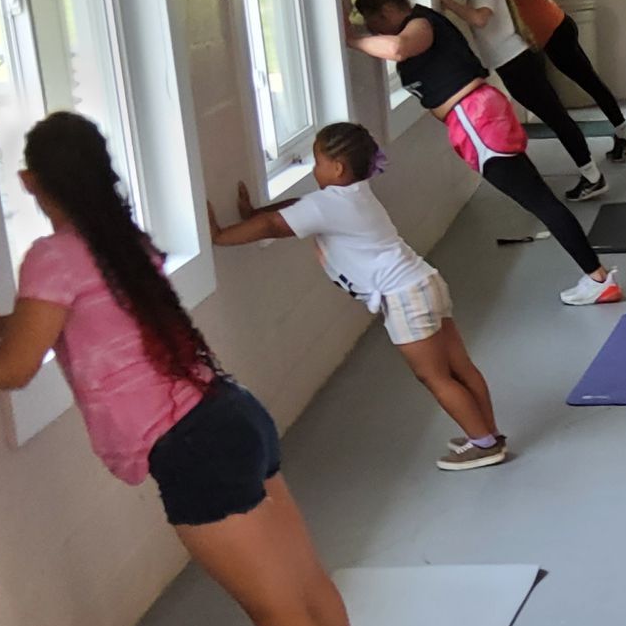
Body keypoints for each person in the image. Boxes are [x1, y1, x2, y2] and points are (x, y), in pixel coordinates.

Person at [0, 113, 373, 626]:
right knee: (304, 585)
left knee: (280, 613)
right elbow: (52, 322)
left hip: (192, 448)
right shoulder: (123, 241)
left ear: (30, 182)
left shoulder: (54, 256)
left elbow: (14, 365)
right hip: (230, 413)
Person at [208, 121, 509, 473]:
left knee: (434, 376)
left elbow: (276, 225)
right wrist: (256, 212)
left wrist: (221, 236)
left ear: (337, 167)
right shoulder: (351, 194)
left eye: (317, 161)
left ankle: (483, 444)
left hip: (404, 297)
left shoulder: (327, 205)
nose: (315, 169)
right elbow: (295, 208)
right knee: (460, 367)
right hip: (424, 282)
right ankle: (488, 434)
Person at [340, 0, 621, 308]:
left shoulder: (421, 25)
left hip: (478, 121)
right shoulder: (418, 21)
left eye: (374, 25)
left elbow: (397, 48)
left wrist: (350, 39)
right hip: (477, 119)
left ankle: (599, 278)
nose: (373, 34)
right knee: (539, 198)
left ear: (386, 13)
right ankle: (597, 276)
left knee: (541, 202)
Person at [439, 0, 610, 205]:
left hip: (517, 62)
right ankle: (590, 174)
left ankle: (592, 176)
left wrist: (447, 1)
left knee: (556, 117)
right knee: (555, 115)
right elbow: (478, 5)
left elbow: (480, 18)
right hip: (513, 62)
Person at [485, 0, 626, 161]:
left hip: (556, 34)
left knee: (590, 82)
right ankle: (625, 132)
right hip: (559, 29)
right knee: (591, 82)